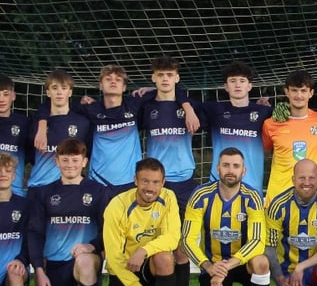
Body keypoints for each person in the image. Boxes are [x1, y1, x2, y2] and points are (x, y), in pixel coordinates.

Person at [34, 65, 199, 194]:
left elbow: (170, 88)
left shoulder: (134, 104)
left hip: (129, 182)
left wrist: (186, 107)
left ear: (124, 87)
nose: (113, 81)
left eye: (118, 79)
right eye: (108, 79)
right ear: (100, 85)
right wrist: (42, 127)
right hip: (99, 182)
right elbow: (53, 104)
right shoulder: (91, 109)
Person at [27, 138, 112, 286]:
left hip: (84, 260)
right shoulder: (45, 193)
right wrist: (38, 269)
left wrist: (92, 246)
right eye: (65, 160)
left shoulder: (98, 191)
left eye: (75, 160)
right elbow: (35, 232)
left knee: (83, 261)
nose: (70, 165)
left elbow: (109, 230)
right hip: (56, 264)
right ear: (56, 162)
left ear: (84, 162)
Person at [181, 147, 270, 286]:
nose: (231, 170)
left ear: (243, 171)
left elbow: (257, 240)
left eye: (236, 166)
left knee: (261, 262)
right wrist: (209, 266)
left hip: (241, 262)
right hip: (213, 265)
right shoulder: (200, 195)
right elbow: (187, 239)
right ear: (217, 169)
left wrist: (228, 266)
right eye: (226, 165)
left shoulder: (252, 197)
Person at [139, 56, 199, 286]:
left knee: (181, 249)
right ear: (153, 78)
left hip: (185, 182)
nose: (165, 79)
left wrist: (186, 105)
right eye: (160, 75)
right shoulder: (145, 105)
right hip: (155, 184)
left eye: (170, 75)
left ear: (177, 78)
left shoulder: (188, 106)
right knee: (153, 246)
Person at [103, 158, 180, 286]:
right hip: (126, 269)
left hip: (149, 265)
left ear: (163, 182)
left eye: (155, 182)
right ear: (136, 181)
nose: (150, 188)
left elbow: (172, 238)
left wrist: (144, 250)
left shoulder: (168, 198)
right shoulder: (117, 206)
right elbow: (113, 258)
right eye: (145, 181)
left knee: (164, 257)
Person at [200, 61, 272, 192]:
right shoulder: (214, 110)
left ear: (249, 86)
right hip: (219, 186)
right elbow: (179, 103)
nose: (238, 85)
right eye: (233, 81)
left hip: (251, 187)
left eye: (242, 81)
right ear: (226, 86)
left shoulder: (264, 112)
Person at [262, 70, 317, 203]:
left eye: (303, 91)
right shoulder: (271, 124)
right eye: (294, 90)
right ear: (286, 92)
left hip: (310, 198)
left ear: (311, 93)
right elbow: (263, 154)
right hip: (278, 197)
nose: (299, 95)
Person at [0, 153, 36, 286]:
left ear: (14, 175)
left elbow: (30, 240)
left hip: (11, 271)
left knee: (15, 273)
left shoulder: (25, 205)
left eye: (8, 170)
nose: (3, 174)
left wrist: (21, 260)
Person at [0, 76, 31, 196]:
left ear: (13, 96)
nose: (1, 99)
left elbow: (30, 153)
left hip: (15, 191)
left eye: (5, 94)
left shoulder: (24, 123)